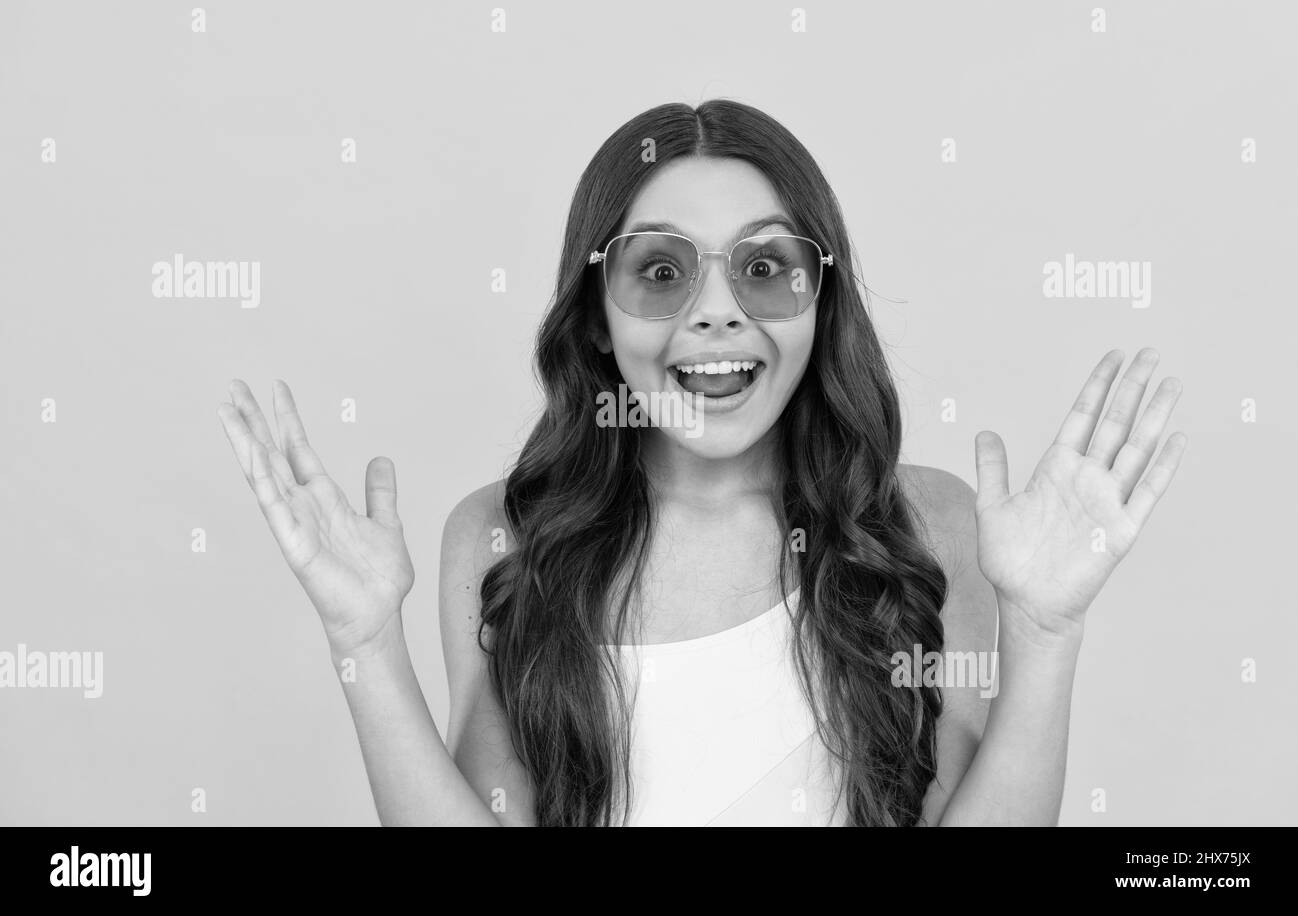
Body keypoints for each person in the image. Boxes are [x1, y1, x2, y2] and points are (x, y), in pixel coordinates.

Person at [216, 100, 1186, 826]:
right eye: (661, 271)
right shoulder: (505, 537)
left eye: (764, 268)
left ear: (820, 301)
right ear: (595, 317)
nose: (716, 312)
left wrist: (1045, 631)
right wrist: (364, 640)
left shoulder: (924, 525)